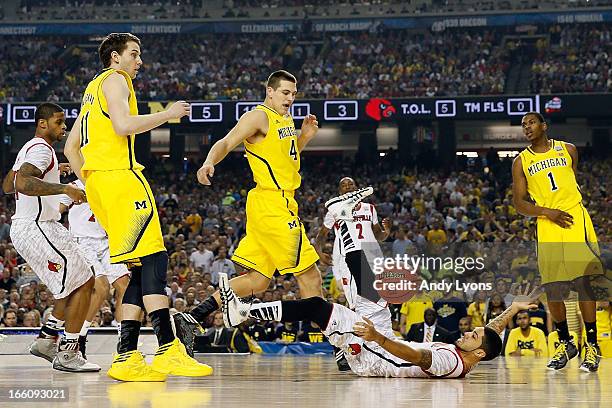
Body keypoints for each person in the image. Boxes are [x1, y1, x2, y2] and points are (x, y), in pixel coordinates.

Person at [64, 32, 210, 382]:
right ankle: (167, 349)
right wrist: (168, 114)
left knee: (141, 265)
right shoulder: (116, 80)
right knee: (156, 258)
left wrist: (94, 183)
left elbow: (71, 147)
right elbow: (123, 125)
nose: (139, 61)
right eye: (134, 53)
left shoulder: (91, 89)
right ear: (114, 57)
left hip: (102, 183)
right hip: (121, 180)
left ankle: (127, 355)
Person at [189, 70, 323, 329]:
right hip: (273, 205)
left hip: (272, 204)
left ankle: (193, 315)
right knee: (310, 276)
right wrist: (208, 162)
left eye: (294, 94)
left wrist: (304, 137)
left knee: (258, 280)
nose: (290, 98)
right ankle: (338, 343)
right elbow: (226, 142)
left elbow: (284, 159)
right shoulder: (258, 116)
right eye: (285, 93)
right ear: (269, 91)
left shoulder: (284, 117)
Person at [222, 271, 538, 378]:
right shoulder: (473, 355)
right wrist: (512, 308)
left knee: (319, 307)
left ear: (478, 353)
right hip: (385, 341)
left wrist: (374, 336)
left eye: (473, 336)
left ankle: (245, 312)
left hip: (374, 357)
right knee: (372, 287)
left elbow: (416, 357)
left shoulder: (449, 361)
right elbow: (492, 333)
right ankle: (351, 229)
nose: (469, 332)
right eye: (474, 330)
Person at [5, 103, 99, 372]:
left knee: (80, 278)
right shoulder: (41, 150)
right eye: (59, 122)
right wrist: (65, 189)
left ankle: (48, 338)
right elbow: (22, 184)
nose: (64, 127)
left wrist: (53, 172)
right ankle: (68, 352)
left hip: (45, 225)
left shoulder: (30, 149)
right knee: (83, 281)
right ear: (42, 124)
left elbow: (7, 184)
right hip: (35, 227)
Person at [512, 111, 604, 372]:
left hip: (574, 219)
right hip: (547, 222)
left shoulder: (568, 150)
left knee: (583, 282)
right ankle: (566, 343)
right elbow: (519, 203)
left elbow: (570, 182)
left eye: (531, 122)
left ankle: (592, 346)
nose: (526, 128)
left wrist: (562, 209)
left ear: (544, 125)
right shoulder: (521, 161)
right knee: (553, 288)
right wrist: (547, 211)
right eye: (523, 125)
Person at [314, 177, 390, 370]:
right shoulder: (335, 208)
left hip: (371, 253)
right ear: (340, 191)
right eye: (344, 185)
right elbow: (322, 234)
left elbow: (377, 235)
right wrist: (319, 251)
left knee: (376, 301)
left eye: (351, 185)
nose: (348, 187)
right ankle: (344, 346)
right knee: (355, 303)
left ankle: (370, 345)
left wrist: (385, 232)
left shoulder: (369, 208)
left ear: (357, 189)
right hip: (347, 256)